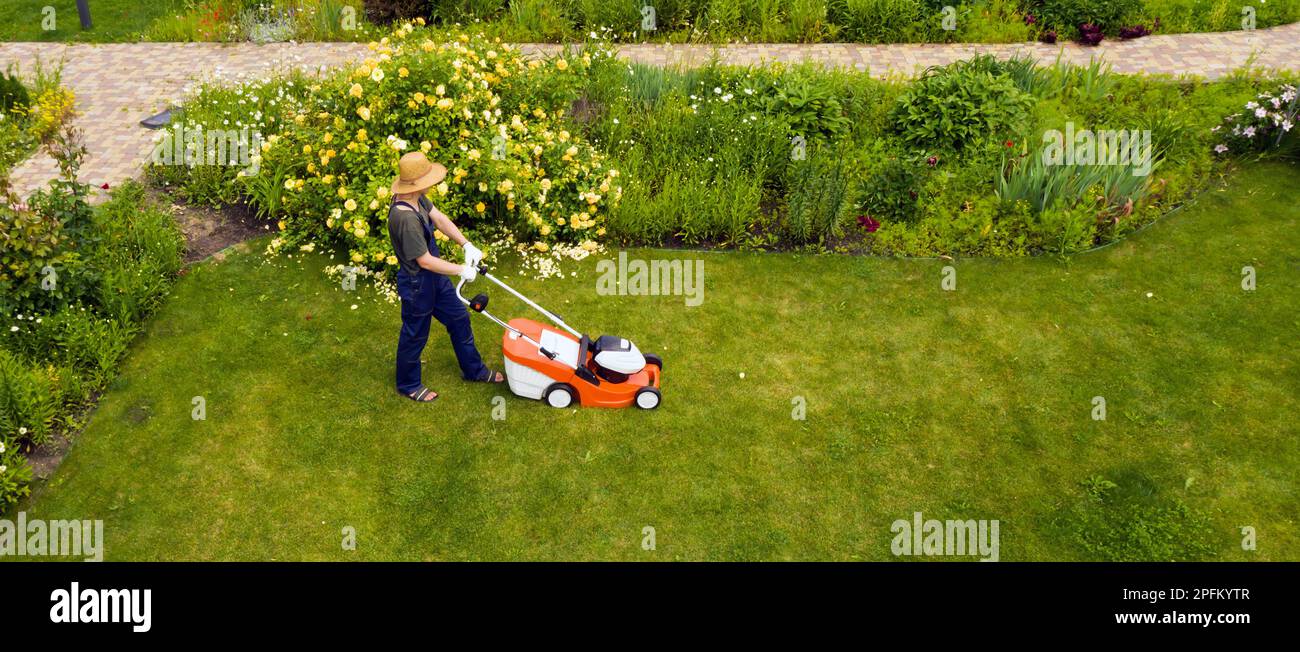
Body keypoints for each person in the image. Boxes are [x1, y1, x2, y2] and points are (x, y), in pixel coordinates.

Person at [387, 151, 504, 402]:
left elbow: (439, 218)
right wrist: (461, 270)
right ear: (417, 183)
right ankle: (408, 384)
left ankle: (474, 370)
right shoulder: (404, 216)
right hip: (417, 283)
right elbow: (425, 261)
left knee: (459, 318)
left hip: (434, 278)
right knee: (415, 333)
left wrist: (466, 244)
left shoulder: (417, 198)